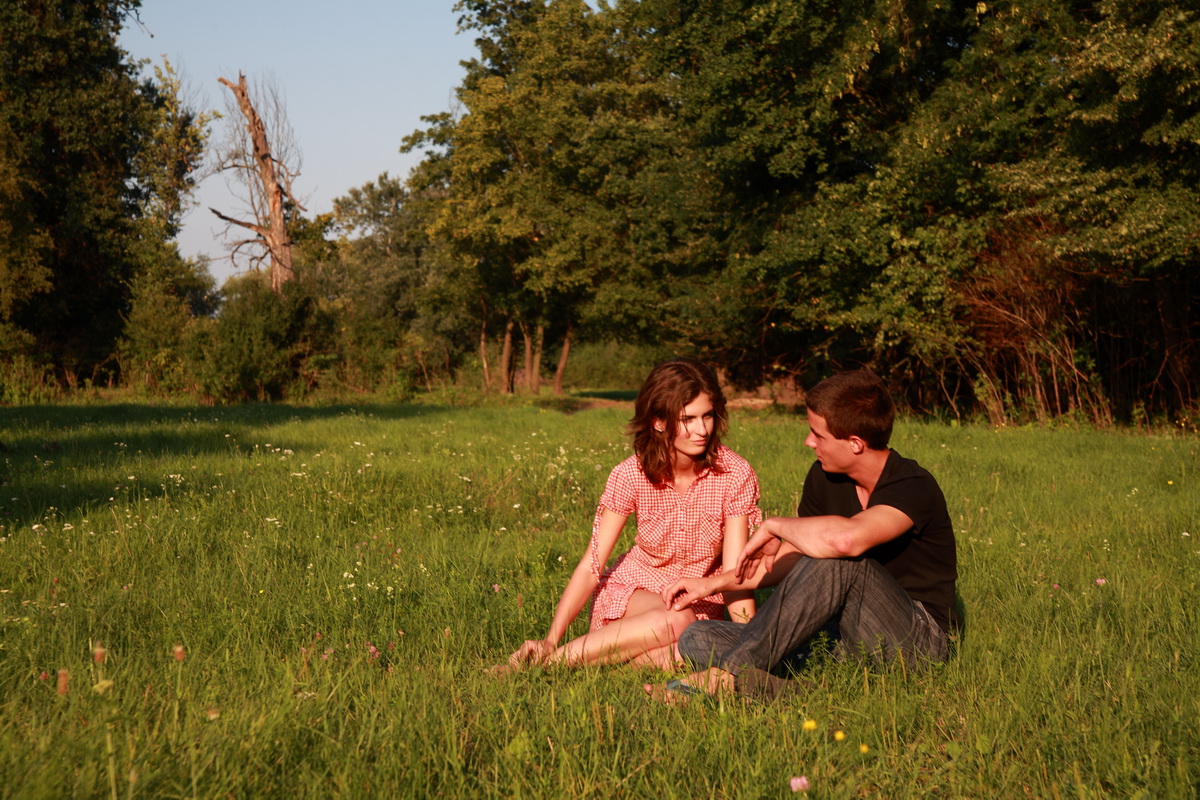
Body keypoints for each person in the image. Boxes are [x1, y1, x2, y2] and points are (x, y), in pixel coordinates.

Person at [646, 369, 958, 702]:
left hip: (916, 641)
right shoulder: (825, 478)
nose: (809, 443)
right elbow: (790, 558)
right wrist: (712, 585)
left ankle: (725, 677)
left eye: (817, 435)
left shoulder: (912, 485)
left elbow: (847, 542)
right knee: (698, 637)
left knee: (840, 561)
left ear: (855, 443)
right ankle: (805, 694)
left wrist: (774, 525)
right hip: (842, 638)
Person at [502, 358, 762, 672]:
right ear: (658, 421)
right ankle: (549, 662)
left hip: (701, 601)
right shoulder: (630, 474)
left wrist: (754, 640)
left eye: (707, 416)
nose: (702, 430)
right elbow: (592, 564)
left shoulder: (734, 474)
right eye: (688, 419)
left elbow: (735, 573)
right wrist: (551, 638)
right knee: (680, 620)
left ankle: (616, 666)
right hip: (636, 593)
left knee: (690, 647)